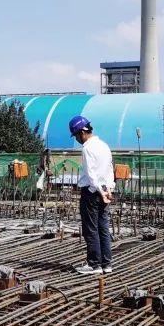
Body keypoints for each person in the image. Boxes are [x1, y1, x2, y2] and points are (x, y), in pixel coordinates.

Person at [70, 115, 114, 274]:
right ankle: (106, 264)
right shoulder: (104, 146)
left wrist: (100, 191)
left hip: (91, 192)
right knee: (103, 227)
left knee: (91, 229)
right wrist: (108, 189)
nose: (77, 139)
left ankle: (94, 264)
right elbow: (109, 170)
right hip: (104, 190)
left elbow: (91, 174)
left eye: (76, 136)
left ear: (82, 132)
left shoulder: (88, 148)